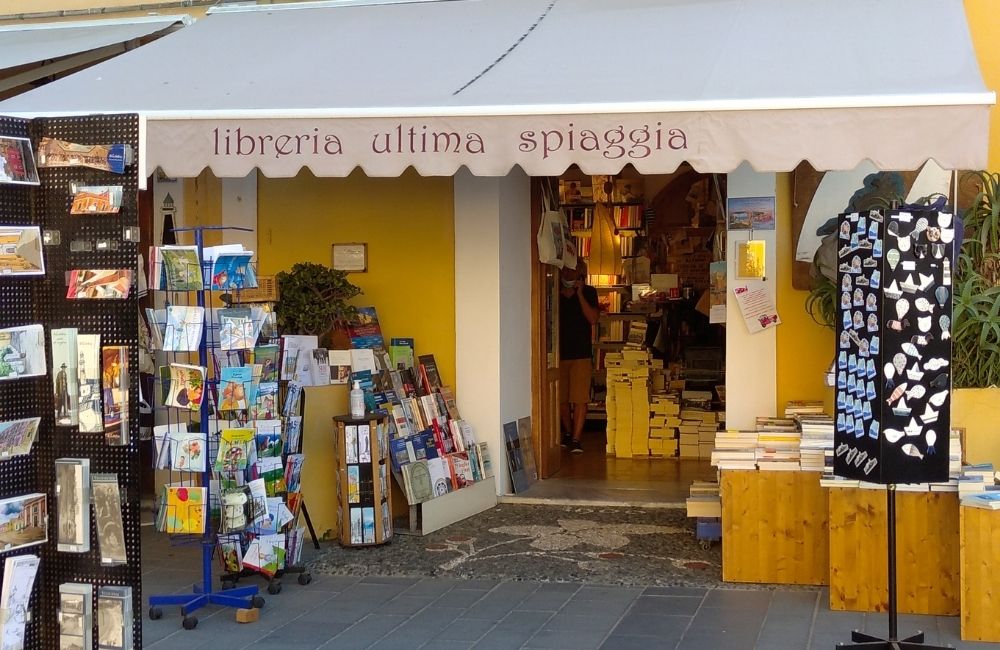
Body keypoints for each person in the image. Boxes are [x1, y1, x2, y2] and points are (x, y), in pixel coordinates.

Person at [559, 262, 599, 453]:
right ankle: (567, 433)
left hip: (581, 353)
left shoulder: (590, 292)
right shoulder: (553, 291)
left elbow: (592, 318)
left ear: (580, 272)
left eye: (572, 269)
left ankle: (576, 438)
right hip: (559, 354)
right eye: (564, 269)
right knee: (561, 398)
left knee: (580, 397)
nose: (567, 272)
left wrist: (580, 294)